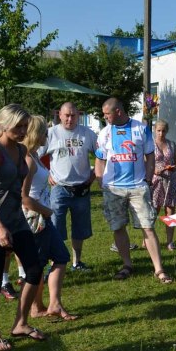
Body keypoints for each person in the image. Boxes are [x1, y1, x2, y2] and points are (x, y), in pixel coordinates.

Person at [0, 104, 46, 351]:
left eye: (25, 126)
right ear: (5, 124)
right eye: (19, 126)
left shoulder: (21, 149)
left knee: (34, 269)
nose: (23, 131)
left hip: (17, 220)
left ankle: (20, 323)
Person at [95, 98, 173, 283]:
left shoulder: (141, 129)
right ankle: (127, 265)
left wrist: (148, 180)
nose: (105, 117)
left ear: (118, 112)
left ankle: (159, 269)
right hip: (114, 189)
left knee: (148, 226)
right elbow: (100, 158)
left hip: (138, 187)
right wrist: (101, 181)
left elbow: (150, 156)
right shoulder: (105, 132)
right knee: (118, 227)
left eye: (107, 114)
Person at [22, 116, 77, 320]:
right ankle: (35, 308)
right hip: (34, 219)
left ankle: (54, 304)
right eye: (45, 132)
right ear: (36, 134)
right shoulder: (28, 160)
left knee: (61, 256)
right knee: (38, 264)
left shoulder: (35, 155)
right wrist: (45, 211)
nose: (48, 135)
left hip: (44, 216)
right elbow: (23, 197)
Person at [42, 102, 98, 271]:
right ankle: (55, 264)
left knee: (79, 229)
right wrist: (47, 173)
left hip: (81, 188)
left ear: (78, 115)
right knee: (55, 227)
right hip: (59, 188)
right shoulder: (51, 133)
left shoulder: (87, 134)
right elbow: (36, 156)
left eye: (73, 115)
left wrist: (94, 174)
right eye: (66, 115)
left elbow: (102, 155)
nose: (70, 119)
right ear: (59, 115)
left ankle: (77, 262)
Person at [150, 119, 176, 250]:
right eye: (158, 130)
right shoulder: (150, 145)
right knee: (154, 211)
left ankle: (170, 241)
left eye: (163, 131)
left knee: (170, 211)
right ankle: (147, 239)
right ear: (155, 130)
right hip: (156, 181)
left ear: (167, 131)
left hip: (171, 181)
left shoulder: (171, 144)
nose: (161, 133)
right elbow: (145, 163)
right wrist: (154, 170)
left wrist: (174, 167)